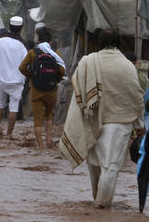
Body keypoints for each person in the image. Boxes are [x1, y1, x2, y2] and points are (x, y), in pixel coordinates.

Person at [61, 30, 145, 208]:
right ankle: (102, 205)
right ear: (119, 43)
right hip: (119, 123)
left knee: (94, 163)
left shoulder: (88, 61)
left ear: (99, 42)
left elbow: (80, 92)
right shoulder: (127, 65)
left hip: (92, 119)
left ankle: (96, 200)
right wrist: (139, 126)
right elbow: (135, 97)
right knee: (110, 166)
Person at [19, 28, 66, 149]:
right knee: (49, 115)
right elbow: (61, 70)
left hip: (36, 90)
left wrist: (32, 76)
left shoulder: (32, 53)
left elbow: (22, 68)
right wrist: (56, 80)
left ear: (39, 41)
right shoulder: (55, 54)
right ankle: (49, 140)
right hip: (51, 90)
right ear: (50, 42)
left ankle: (41, 147)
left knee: (38, 118)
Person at [0, 16, 28, 138]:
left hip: (1, 79)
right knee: (13, 107)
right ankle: (9, 134)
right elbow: (25, 64)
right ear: (21, 28)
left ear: (9, 27)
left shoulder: (0, 42)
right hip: (17, 81)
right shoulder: (22, 45)